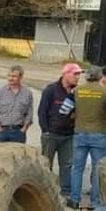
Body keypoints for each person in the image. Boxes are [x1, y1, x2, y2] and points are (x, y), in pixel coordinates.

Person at [69, 67, 106, 208]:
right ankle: (95, 201)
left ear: (86, 76)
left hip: (80, 132)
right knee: (97, 169)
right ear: (100, 77)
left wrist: (76, 114)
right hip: (99, 133)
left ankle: (74, 200)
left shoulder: (76, 91)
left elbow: (64, 110)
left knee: (77, 168)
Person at [38, 62, 82, 199]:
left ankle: (66, 192)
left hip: (68, 136)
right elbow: (42, 111)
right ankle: (44, 192)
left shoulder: (77, 92)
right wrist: (45, 130)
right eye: (75, 74)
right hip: (51, 134)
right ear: (65, 74)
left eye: (79, 74)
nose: (78, 77)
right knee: (46, 164)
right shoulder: (51, 90)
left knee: (67, 165)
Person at [0, 65, 33, 144]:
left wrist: (25, 127)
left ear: (21, 77)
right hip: (2, 131)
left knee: (18, 156)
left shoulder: (27, 93)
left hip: (18, 132)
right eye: (9, 76)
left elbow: (29, 112)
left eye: (14, 76)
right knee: (0, 155)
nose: (10, 78)